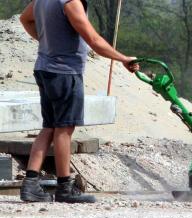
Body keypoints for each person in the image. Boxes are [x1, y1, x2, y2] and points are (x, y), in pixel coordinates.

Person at [19, 0, 139, 203]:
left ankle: (30, 183)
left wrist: (45, 40)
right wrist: (124, 59)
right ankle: (64, 187)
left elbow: (25, 19)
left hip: (44, 68)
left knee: (49, 127)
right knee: (64, 129)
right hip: (65, 73)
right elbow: (93, 40)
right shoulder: (71, 3)